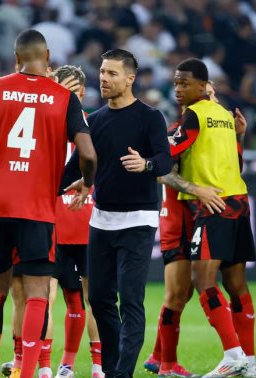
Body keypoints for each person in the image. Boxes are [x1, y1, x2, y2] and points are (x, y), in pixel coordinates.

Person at [0, 29, 97, 378]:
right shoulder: (63, 97)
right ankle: (27, 372)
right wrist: (87, 183)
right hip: (36, 206)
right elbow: (87, 153)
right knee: (36, 290)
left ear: (16, 58)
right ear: (48, 56)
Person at [64, 49, 173, 378]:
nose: (103, 78)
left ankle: (122, 374)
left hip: (138, 220)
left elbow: (165, 161)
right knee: (98, 299)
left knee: (130, 300)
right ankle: (112, 369)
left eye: (112, 73)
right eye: (101, 72)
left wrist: (146, 165)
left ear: (130, 78)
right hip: (101, 221)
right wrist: (49, 187)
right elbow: (74, 168)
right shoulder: (94, 121)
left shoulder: (150, 117)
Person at [144, 82, 249, 378]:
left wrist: (237, 136)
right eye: (207, 95)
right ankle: (167, 364)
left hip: (196, 215)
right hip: (177, 218)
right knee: (179, 292)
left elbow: (231, 165)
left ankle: (159, 357)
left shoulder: (205, 129)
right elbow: (162, 171)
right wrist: (193, 188)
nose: (210, 99)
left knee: (185, 291)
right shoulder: (180, 131)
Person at [51, 65, 103, 378]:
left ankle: (96, 366)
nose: (61, 96)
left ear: (81, 92)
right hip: (54, 221)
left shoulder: (92, 124)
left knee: (91, 297)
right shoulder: (52, 123)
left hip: (86, 221)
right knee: (54, 297)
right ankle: (56, 365)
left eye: (68, 89)